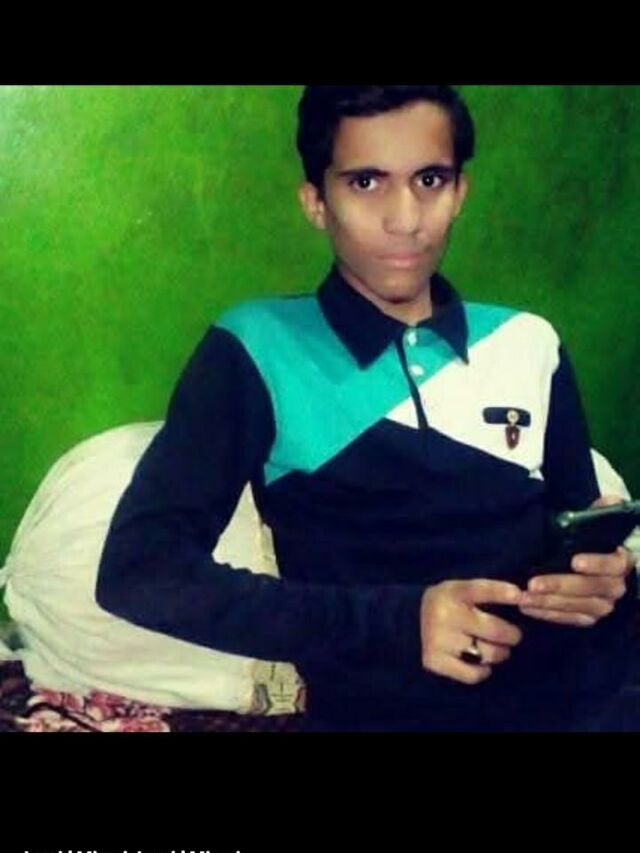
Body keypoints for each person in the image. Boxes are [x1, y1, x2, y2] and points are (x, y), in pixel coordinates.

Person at [96, 85, 637, 732]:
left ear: (460, 191)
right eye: (366, 182)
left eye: (429, 180)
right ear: (316, 202)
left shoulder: (529, 341)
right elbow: (139, 572)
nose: (405, 219)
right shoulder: (256, 348)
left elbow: (573, 546)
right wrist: (400, 623)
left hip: (594, 696)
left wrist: (602, 580)